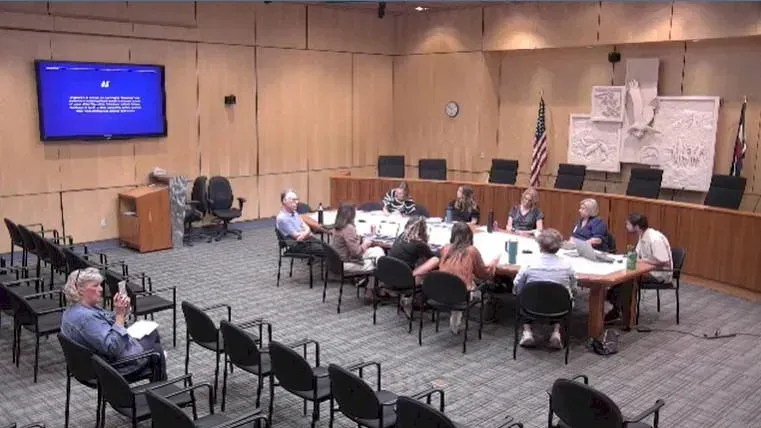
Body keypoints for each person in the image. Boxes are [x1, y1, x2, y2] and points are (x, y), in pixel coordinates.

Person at [61, 267, 167, 379]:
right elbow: (114, 348)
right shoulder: (86, 318)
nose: (101, 289)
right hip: (111, 368)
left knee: (150, 335)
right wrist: (120, 315)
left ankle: (156, 368)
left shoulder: (73, 311)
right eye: (95, 286)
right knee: (156, 347)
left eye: (100, 285)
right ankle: (158, 380)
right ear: (80, 290)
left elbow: (104, 322)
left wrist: (121, 311)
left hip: (91, 363)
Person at [513, 229, 577, 348]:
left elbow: (517, 284)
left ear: (540, 245)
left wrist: (519, 293)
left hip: (531, 305)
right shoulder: (567, 265)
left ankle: (527, 332)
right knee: (559, 298)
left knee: (522, 297)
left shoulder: (529, 263)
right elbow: (574, 286)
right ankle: (556, 333)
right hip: (560, 307)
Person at [606, 212, 673, 323]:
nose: (626, 226)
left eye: (628, 224)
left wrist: (643, 261)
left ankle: (626, 316)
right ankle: (618, 308)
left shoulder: (654, 238)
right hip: (649, 270)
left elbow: (664, 261)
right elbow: (637, 255)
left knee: (627, 279)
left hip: (660, 274)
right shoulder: (642, 236)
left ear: (636, 226)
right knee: (621, 278)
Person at [438, 223, 498, 334]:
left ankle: (455, 321)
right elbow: (484, 274)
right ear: (469, 235)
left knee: (461, 282)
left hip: (440, 290)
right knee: (481, 286)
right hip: (461, 294)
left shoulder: (445, 249)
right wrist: (493, 265)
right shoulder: (471, 251)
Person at [331, 203, 385, 274]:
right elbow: (356, 253)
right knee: (376, 262)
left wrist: (360, 240)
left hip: (337, 261)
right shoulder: (348, 228)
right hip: (346, 262)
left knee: (377, 250)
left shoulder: (337, 226)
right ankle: (383, 276)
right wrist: (365, 244)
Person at [276, 189, 324, 255]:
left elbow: (305, 227)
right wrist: (308, 233)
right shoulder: (282, 218)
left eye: (297, 199)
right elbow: (297, 237)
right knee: (326, 251)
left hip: (306, 240)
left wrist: (306, 233)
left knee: (329, 249)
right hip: (298, 245)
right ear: (284, 201)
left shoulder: (294, 213)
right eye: (293, 200)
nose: (297, 202)